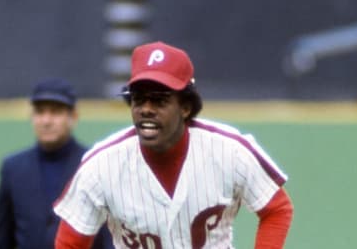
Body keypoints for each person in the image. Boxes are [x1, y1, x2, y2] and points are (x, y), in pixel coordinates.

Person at [54, 41, 294, 248]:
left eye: (159, 100)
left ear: (185, 107)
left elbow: (277, 209)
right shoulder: (100, 165)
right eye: (138, 99)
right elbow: (71, 243)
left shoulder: (229, 150)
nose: (146, 109)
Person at [0, 78, 113, 249]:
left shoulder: (94, 165)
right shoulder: (13, 168)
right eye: (40, 112)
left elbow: (109, 236)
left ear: (73, 117)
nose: (46, 120)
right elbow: (1, 239)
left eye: (55, 112)